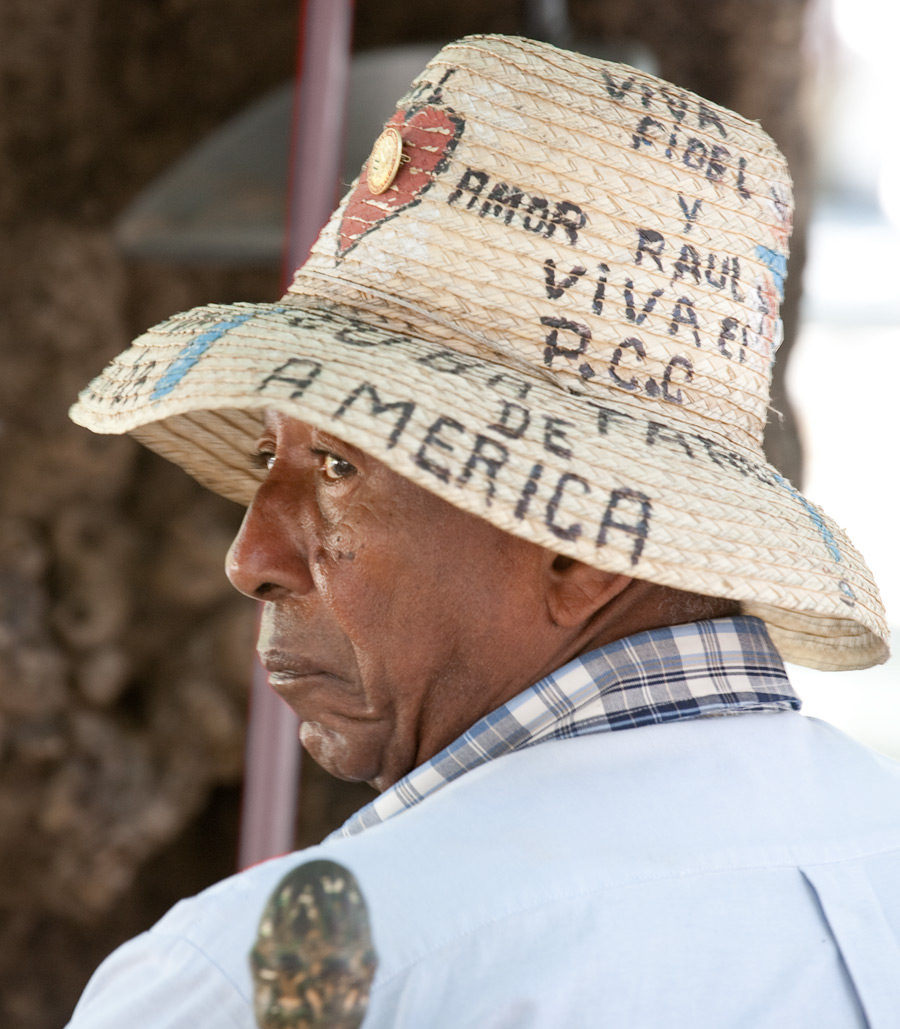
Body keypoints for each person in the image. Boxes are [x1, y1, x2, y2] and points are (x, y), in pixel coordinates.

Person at [66, 34, 899, 1029]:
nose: (252, 559)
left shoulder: (268, 980)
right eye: (268, 461)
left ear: (581, 544)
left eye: (338, 468)